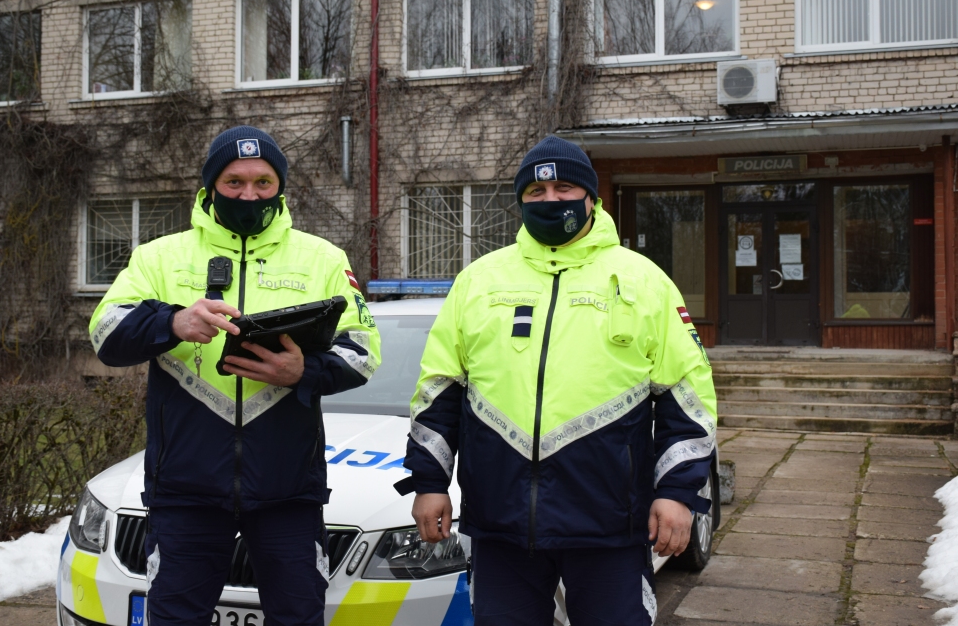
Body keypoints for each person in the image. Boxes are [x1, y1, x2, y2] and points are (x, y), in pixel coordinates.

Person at [401, 136, 717, 625]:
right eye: (536, 191)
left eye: (565, 188)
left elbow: (689, 399)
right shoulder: (478, 281)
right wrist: (429, 482)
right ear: (520, 200)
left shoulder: (644, 281)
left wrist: (677, 494)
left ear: (592, 198)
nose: (551, 200)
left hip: (610, 526)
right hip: (501, 527)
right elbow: (439, 390)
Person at [88, 125, 381, 626]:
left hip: (288, 491)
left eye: (263, 182)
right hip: (185, 489)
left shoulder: (323, 258)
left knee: (299, 617)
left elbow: (364, 352)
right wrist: (173, 321)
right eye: (235, 181)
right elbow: (106, 335)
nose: (250, 194)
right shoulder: (159, 256)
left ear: (280, 187)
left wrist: (301, 371)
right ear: (210, 187)